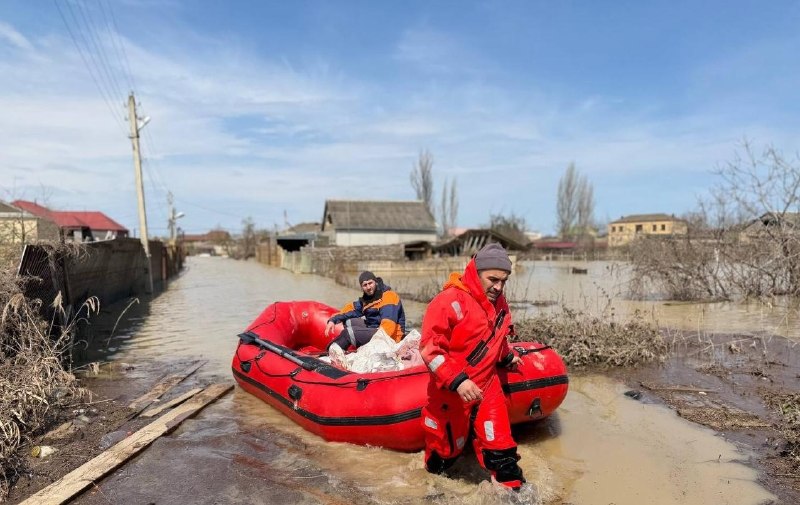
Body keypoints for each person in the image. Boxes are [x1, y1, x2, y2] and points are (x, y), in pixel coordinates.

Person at [419, 243, 525, 491]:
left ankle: (516, 493)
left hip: (487, 386)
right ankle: (433, 490)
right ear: (476, 272)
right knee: (444, 456)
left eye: (504, 281)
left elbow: (496, 337)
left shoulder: (499, 303)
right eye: (493, 279)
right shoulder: (448, 301)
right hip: (450, 391)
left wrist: (507, 357)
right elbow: (430, 350)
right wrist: (458, 381)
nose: (498, 287)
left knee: (503, 452)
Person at [324, 271, 406, 350]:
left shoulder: (388, 296)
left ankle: (329, 353)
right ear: (362, 287)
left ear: (376, 282)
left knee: (349, 333)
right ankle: (354, 345)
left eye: (370, 283)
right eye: (365, 285)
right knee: (348, 321)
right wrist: (332, 320)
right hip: (375, 328)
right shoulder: (367, 299)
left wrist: (372, 346)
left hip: (391, 338)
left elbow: (388, 327)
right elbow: (350, 309)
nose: (368, 287)